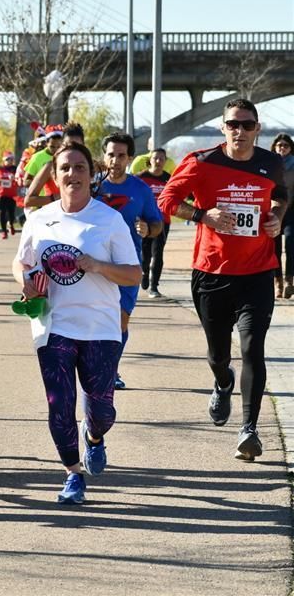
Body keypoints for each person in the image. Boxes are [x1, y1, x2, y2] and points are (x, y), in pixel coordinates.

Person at [158, 99, 287, 461]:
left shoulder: (270, 162)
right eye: (234, 124)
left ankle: (249, 430)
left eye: (247, 125)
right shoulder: (202, 162)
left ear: (257, 128)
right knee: (218, 354)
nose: (240, 131)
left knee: (252, 349)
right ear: (223, 127)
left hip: (258, 271)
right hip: (212, 273)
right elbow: (166, 201)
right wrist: (203, 215)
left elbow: (280, 195)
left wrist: (276, 217)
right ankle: (222, 380)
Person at [13, 141, 141, 504]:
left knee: (101, 410)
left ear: (91, 174)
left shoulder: (109, 220)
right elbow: (21, 263)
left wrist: (98, 265)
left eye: (80, 167)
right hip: (54, 325)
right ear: (55, 176)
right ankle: (72, 473)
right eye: (65, 168)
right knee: (60, 403)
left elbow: (133, 274)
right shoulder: (39, 219)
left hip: (100, 326)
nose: (73, 174)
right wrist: (23, 282)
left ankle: (95, 437)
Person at [96, 132, 164, 390]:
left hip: (127, 265)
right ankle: (94, 367)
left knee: (121, 320)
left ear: (130, 158)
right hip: (93, 264)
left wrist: (148, 229)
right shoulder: (93, 186)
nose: (115, 160)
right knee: (95, 319)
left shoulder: (140, 189)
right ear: (104, 156)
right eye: (111, 154)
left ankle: (111, 369)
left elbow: (157, 224)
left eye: (121, 155)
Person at [138, 148, 173, 298]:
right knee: (144, 255)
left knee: (158, 254)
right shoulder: (141, 178)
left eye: (161, 159)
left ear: (165, 161)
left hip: (163, 221)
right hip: (144, 222)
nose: (158, 161)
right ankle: (144, 273)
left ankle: (154, 287)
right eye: (155, 158)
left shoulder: (169, 179)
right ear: (150, 160)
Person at [270, 133, 294, 298]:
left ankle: (289, 282)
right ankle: (277, 282)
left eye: (285, 145)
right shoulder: (269, 165)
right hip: (273, 212)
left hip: (292, 212)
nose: (282, 148)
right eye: (279, 145)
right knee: (274, 249)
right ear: (274, 147)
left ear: (291, 148)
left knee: (291, 245)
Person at [0, 151, 19, 238]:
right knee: (2, 213)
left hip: (11, 195)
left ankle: (11, 224)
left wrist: (14, 178)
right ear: (4, 160)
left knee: (11, 213)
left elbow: (20, 179)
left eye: (11, 159)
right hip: (1, 194)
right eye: (7, 159)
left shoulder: (15, 169)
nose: (9, 161)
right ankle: (4, 231)